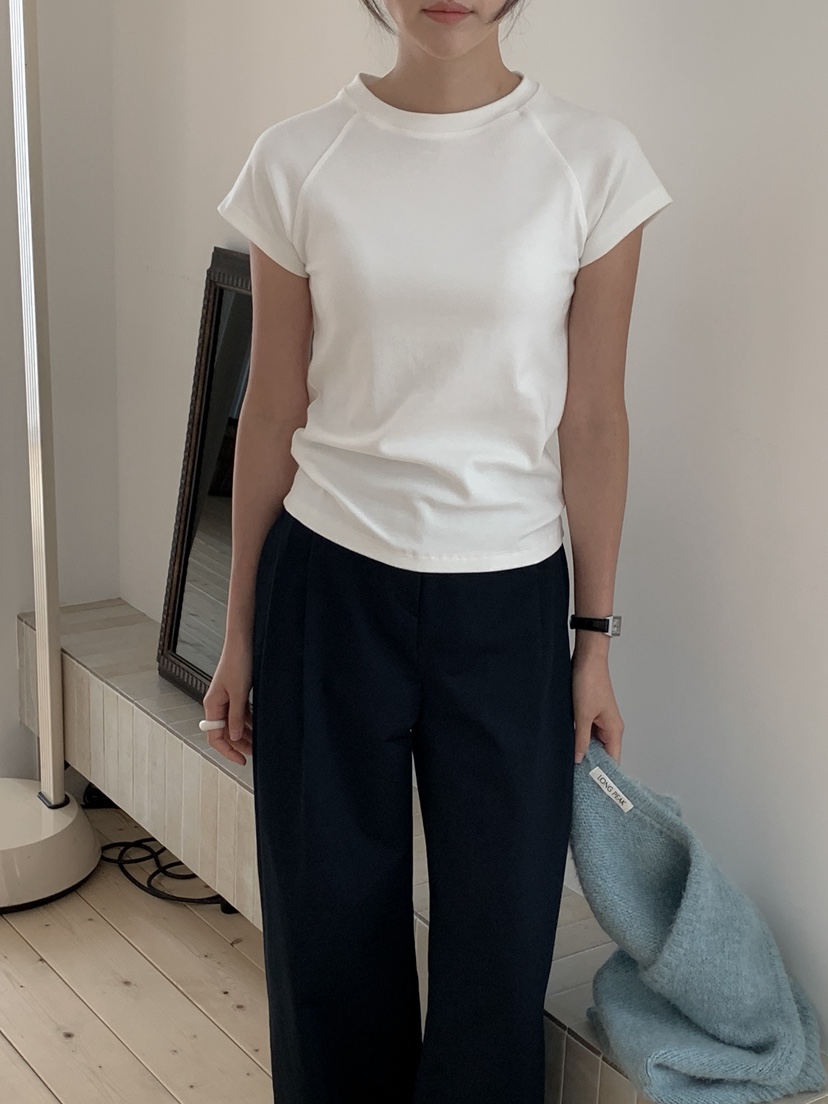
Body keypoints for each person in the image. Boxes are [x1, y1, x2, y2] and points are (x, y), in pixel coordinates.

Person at [206, 1, 673, 1101]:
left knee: (500, 943)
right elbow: (271, 409)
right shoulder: (298, 159)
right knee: (326, 931)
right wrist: (239, 633)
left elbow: (594, 420)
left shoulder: (593, 163)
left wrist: (594, 642)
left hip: (507, 601)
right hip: (328, 586)